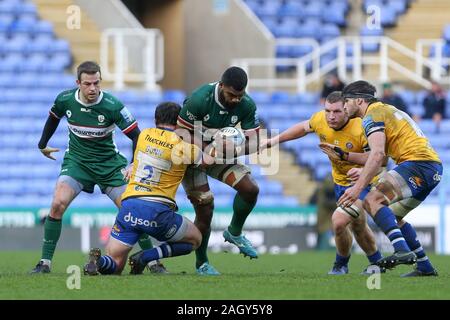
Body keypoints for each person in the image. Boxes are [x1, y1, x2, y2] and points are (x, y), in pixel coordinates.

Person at [31, 61, 165, 274]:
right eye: (87, 84)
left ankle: (153, 263)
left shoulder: (113, 105)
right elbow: (53, 118)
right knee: (57, 204)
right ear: (78, 83)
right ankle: (44, 263)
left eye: (96, 83)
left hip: (109, 166)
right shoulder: (65, 100)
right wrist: (42, 144)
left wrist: (133, 164)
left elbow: (136, 136)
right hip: (77, 163)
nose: (93, 88)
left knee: (133, 211)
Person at [260, 91, 383, 275]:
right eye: (328, 111)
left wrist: (360, 168)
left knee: (339, 221)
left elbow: (378, 158)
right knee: (358, 225)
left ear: (346, 110)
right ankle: (378, 263)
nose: (331, 116)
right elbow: (302, 128)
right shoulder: (321, 120)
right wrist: (274, 140)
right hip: (340, 183)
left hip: (364, 181)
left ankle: (340, 265)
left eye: (336, 112)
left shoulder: (361, 126)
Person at [84, 102, 211, 275]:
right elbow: (208, 161)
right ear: (179, 122)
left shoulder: (143, 136)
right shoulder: (183, 147)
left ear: (155, 119)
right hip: (157, 212)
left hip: (129, 206)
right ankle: (147, 256)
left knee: (115, 264)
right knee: (195, 239)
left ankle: (99, 262)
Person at [337, 80, 442, 276]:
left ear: (359, 100)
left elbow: (376, 155)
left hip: (417, 165)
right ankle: (425, 266)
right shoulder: (386, 110)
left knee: (372, 200)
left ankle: (401, 250)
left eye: (347, 100)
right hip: (431, 167)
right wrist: (356, 164)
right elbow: (383, 159)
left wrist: (357, 188)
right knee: (393, 216)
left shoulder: (371, 116)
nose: (344, 106)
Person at [176, 66, 261, 275]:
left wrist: (237, 148)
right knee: (205, 209)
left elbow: (255, 141)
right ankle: (202, 263)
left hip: (219, 155)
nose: (235, 100)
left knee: (250, 189)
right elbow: (181, 132)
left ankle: (234, 232)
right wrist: (205, 151)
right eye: (231, 95)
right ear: (221, 86)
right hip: (193, 155)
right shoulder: (200, 98)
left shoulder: (247, 105)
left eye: (239, 96)